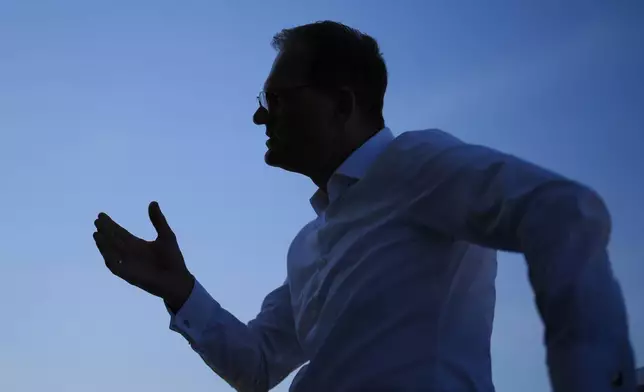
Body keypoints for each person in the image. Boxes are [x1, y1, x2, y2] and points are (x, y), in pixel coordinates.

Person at [92, 21, 636, 391]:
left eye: (277, 100)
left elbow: (563, 211)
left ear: (343, 104)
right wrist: (178, 290)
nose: (261, 118)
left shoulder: (414, 163)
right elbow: (258, 365)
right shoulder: (308, 245)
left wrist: (592, 377)